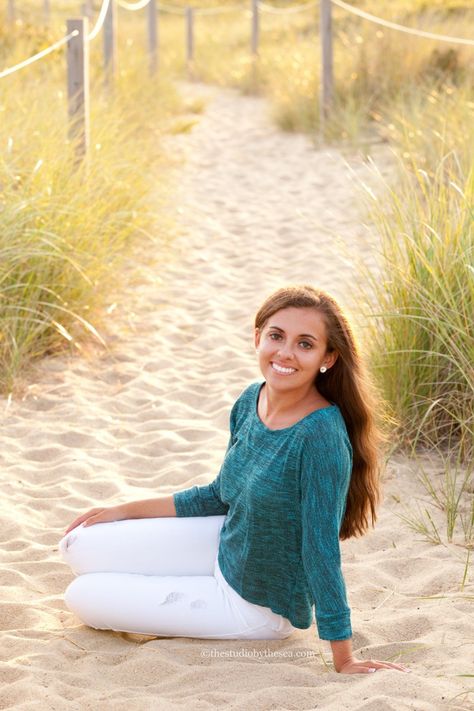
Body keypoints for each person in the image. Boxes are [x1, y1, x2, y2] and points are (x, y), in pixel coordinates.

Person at [59, 284, 411, 675]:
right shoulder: (251, 399)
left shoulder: (320, 436)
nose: (285, 353)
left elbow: (320, 549)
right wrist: (123, 510)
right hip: (226, 545)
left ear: (328, 357)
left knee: (82, 596)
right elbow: (218, 495)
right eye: (277, 336)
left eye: (305, 344)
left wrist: (344, 659)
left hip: (255, 606)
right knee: (77, 544)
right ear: (258, 337)